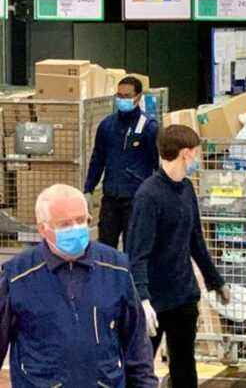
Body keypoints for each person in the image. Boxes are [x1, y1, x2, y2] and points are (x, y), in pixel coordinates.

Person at [0, 184, 157, 387]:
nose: (75, 228)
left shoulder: (116, 268)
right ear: (43, 229)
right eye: (65, 224)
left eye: (81, 220)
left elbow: (137, 345)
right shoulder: (17, 277)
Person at [126, 125, 231, 388]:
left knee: (184, 365)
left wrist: (215, 281)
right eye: (196, 152)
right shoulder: (148, 196)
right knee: (139, 365)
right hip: (155, 300)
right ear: (185, 153)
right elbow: (137, 254)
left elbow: (196, 240)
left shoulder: (186, 188)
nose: (197, 158)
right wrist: (143, 299)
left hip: (183, 294)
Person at [84, 76, 159, 248]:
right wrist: (88, 188)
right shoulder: (107, 125)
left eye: (127, 96)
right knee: (105, 248)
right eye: (119, 95)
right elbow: (98, 159)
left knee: (133, 248)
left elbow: (157, 163)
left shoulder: (149, 127)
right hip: (111, 198)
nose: (122, 100)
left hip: (136, 199)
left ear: (138, 97)